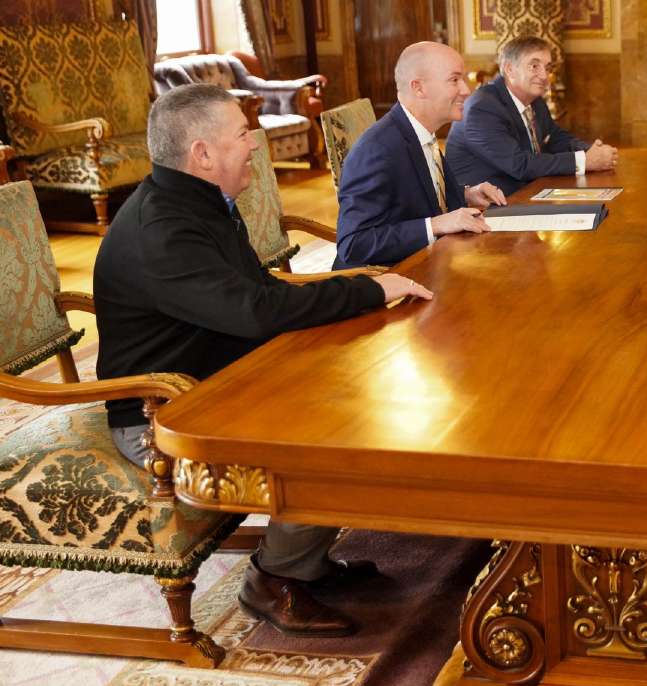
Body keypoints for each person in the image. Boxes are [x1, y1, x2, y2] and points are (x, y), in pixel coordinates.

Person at [94, 83, 432, 637]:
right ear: (202, 153)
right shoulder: (164, 229)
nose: (254, 142)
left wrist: (361, 286)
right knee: (332, 422)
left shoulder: (194, 201)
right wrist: (370, 289)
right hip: (165, 412)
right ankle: (275, 576)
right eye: (241, 132)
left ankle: (306, 560)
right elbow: (256, 310)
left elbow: (256, 292)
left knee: (362, 383)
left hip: (218, 375)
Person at [334, 41, 507, 269]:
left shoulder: (421, 131)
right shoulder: (377, 150)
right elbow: (353, 245)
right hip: (387, 282)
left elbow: (413, 196)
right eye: (454, 80)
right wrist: (434, 225)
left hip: (433, 263)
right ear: (419, 88)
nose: (466, 90)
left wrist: (466, 194)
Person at [444, 35, 619, 195]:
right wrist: (584, 161)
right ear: (510, 69)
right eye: (534, 66)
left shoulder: (535, 101)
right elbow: (519, 164)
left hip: (528, 193)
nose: (544, 76)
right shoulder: (482, 108)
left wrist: (592, 151)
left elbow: (555, 137)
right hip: (486, 208)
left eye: (548, 67)